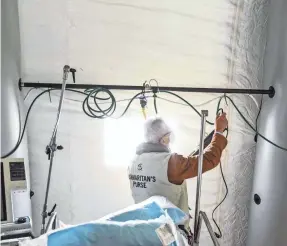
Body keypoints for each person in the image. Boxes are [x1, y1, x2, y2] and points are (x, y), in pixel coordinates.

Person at [128, 113, 228, 227]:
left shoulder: (133, 161)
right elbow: (209, 159)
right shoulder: (170, 162)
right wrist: (219, 131)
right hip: (168, 232)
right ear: (164, 140)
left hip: (142, 228)